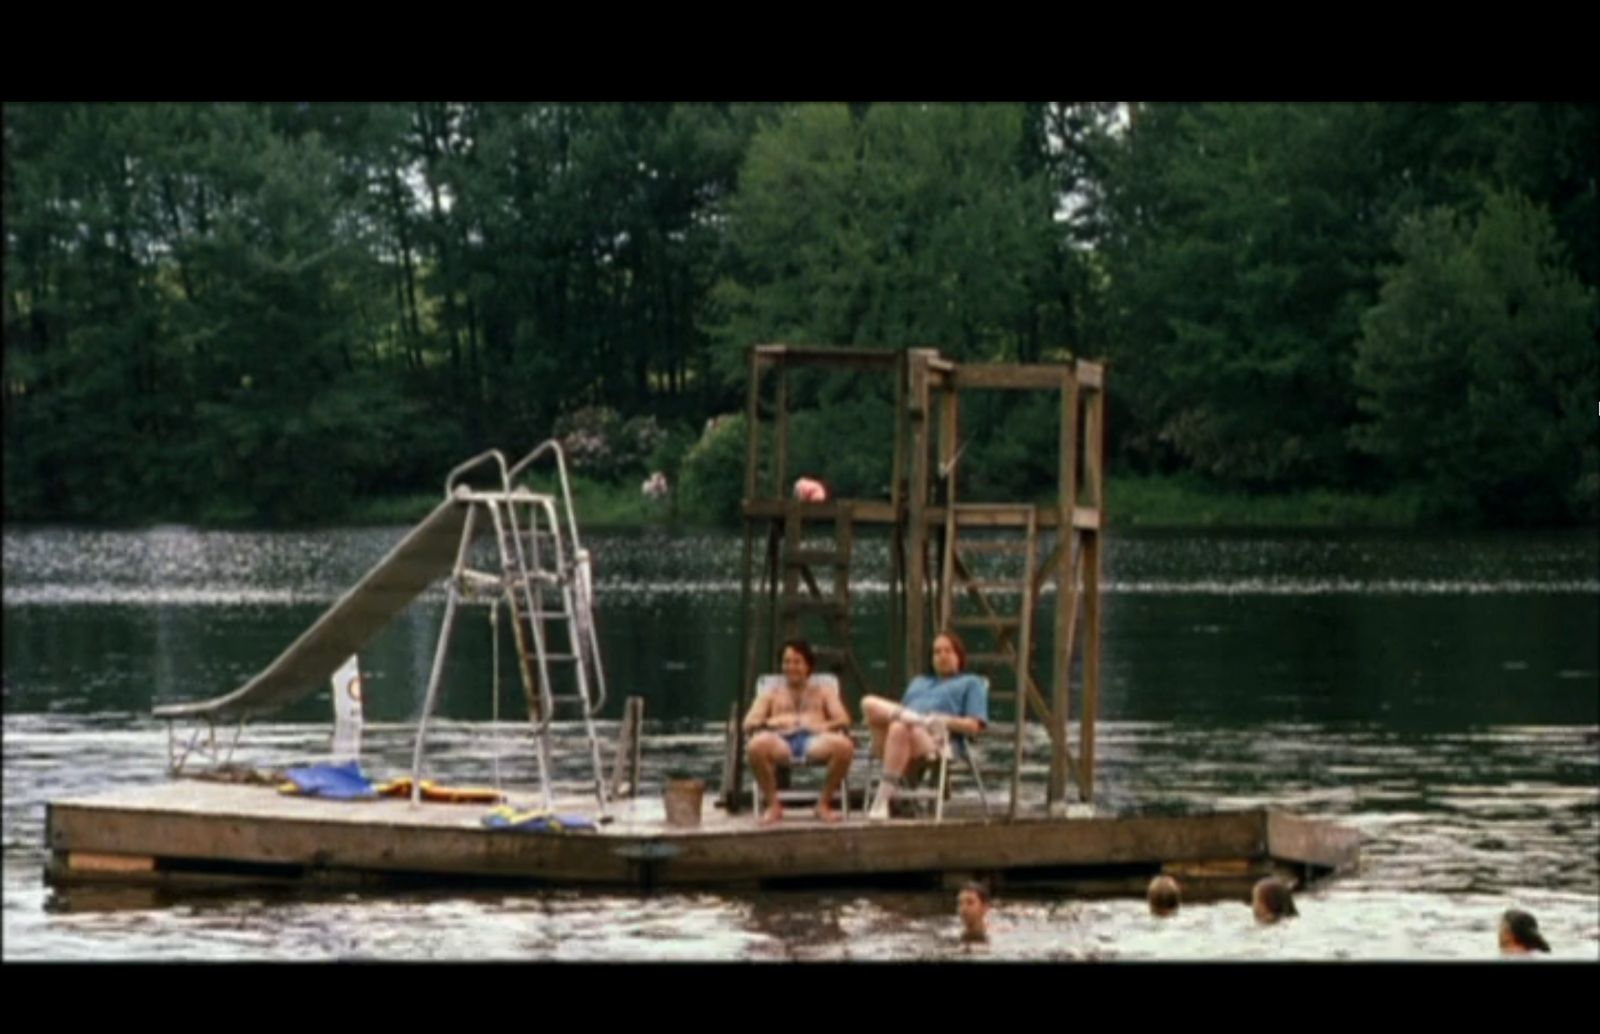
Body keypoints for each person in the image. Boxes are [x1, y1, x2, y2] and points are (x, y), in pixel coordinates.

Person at [862, 631, 988, 821]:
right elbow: (897, 712)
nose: (942, 656)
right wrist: (919, 720)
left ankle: (881, 800)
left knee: (898, 727)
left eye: (948, 651)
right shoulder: (919, 682)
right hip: (905, 734)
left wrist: (944, 720)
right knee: (868, 703)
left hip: (937, 738)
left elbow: (974, 726)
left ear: (959, 656)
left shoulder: (971, 683)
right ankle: (919, 719)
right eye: (937, 652)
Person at [742, 638, 855, 825]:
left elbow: (844, 720)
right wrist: (772, 722)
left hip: (814, 740)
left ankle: (823, 804)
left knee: (844, 746)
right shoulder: (771, 693)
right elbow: (749, 723)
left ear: (808, 665)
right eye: (786, 662)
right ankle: (773, 805)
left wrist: (822, 726)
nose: (791, 667)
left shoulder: (824, 691)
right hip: (781, 740)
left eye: (797, 662)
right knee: (755, 746)